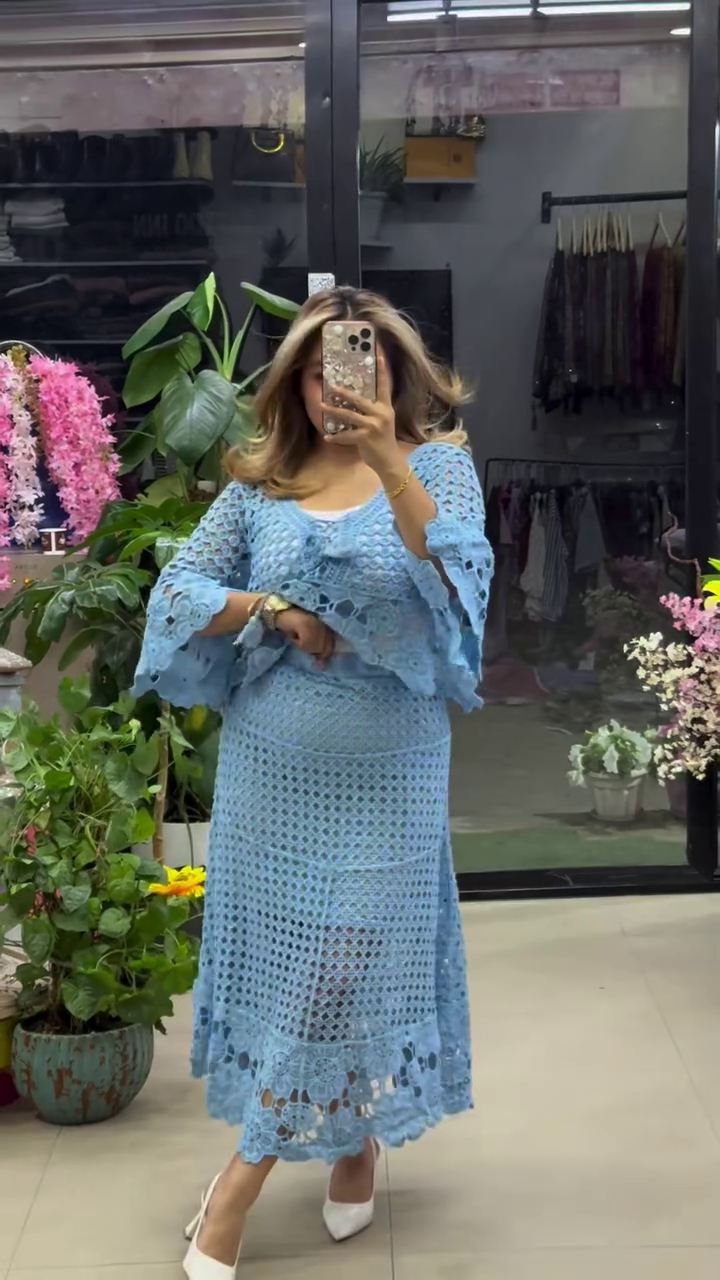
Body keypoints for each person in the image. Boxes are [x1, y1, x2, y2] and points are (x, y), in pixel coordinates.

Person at [133, 286, 494, 1280]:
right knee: (302, 962)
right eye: (323, 364)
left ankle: (237, 1184)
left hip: (392, 766)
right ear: (295, 378)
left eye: (366, 358)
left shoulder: (438, 469)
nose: (343, 380)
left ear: (394, 370)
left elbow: (459, 583)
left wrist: (388, 461)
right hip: (273, 771)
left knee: (339, 958)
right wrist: (272, 607)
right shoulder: (265, 484)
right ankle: (353, 1139)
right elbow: (180, 590)